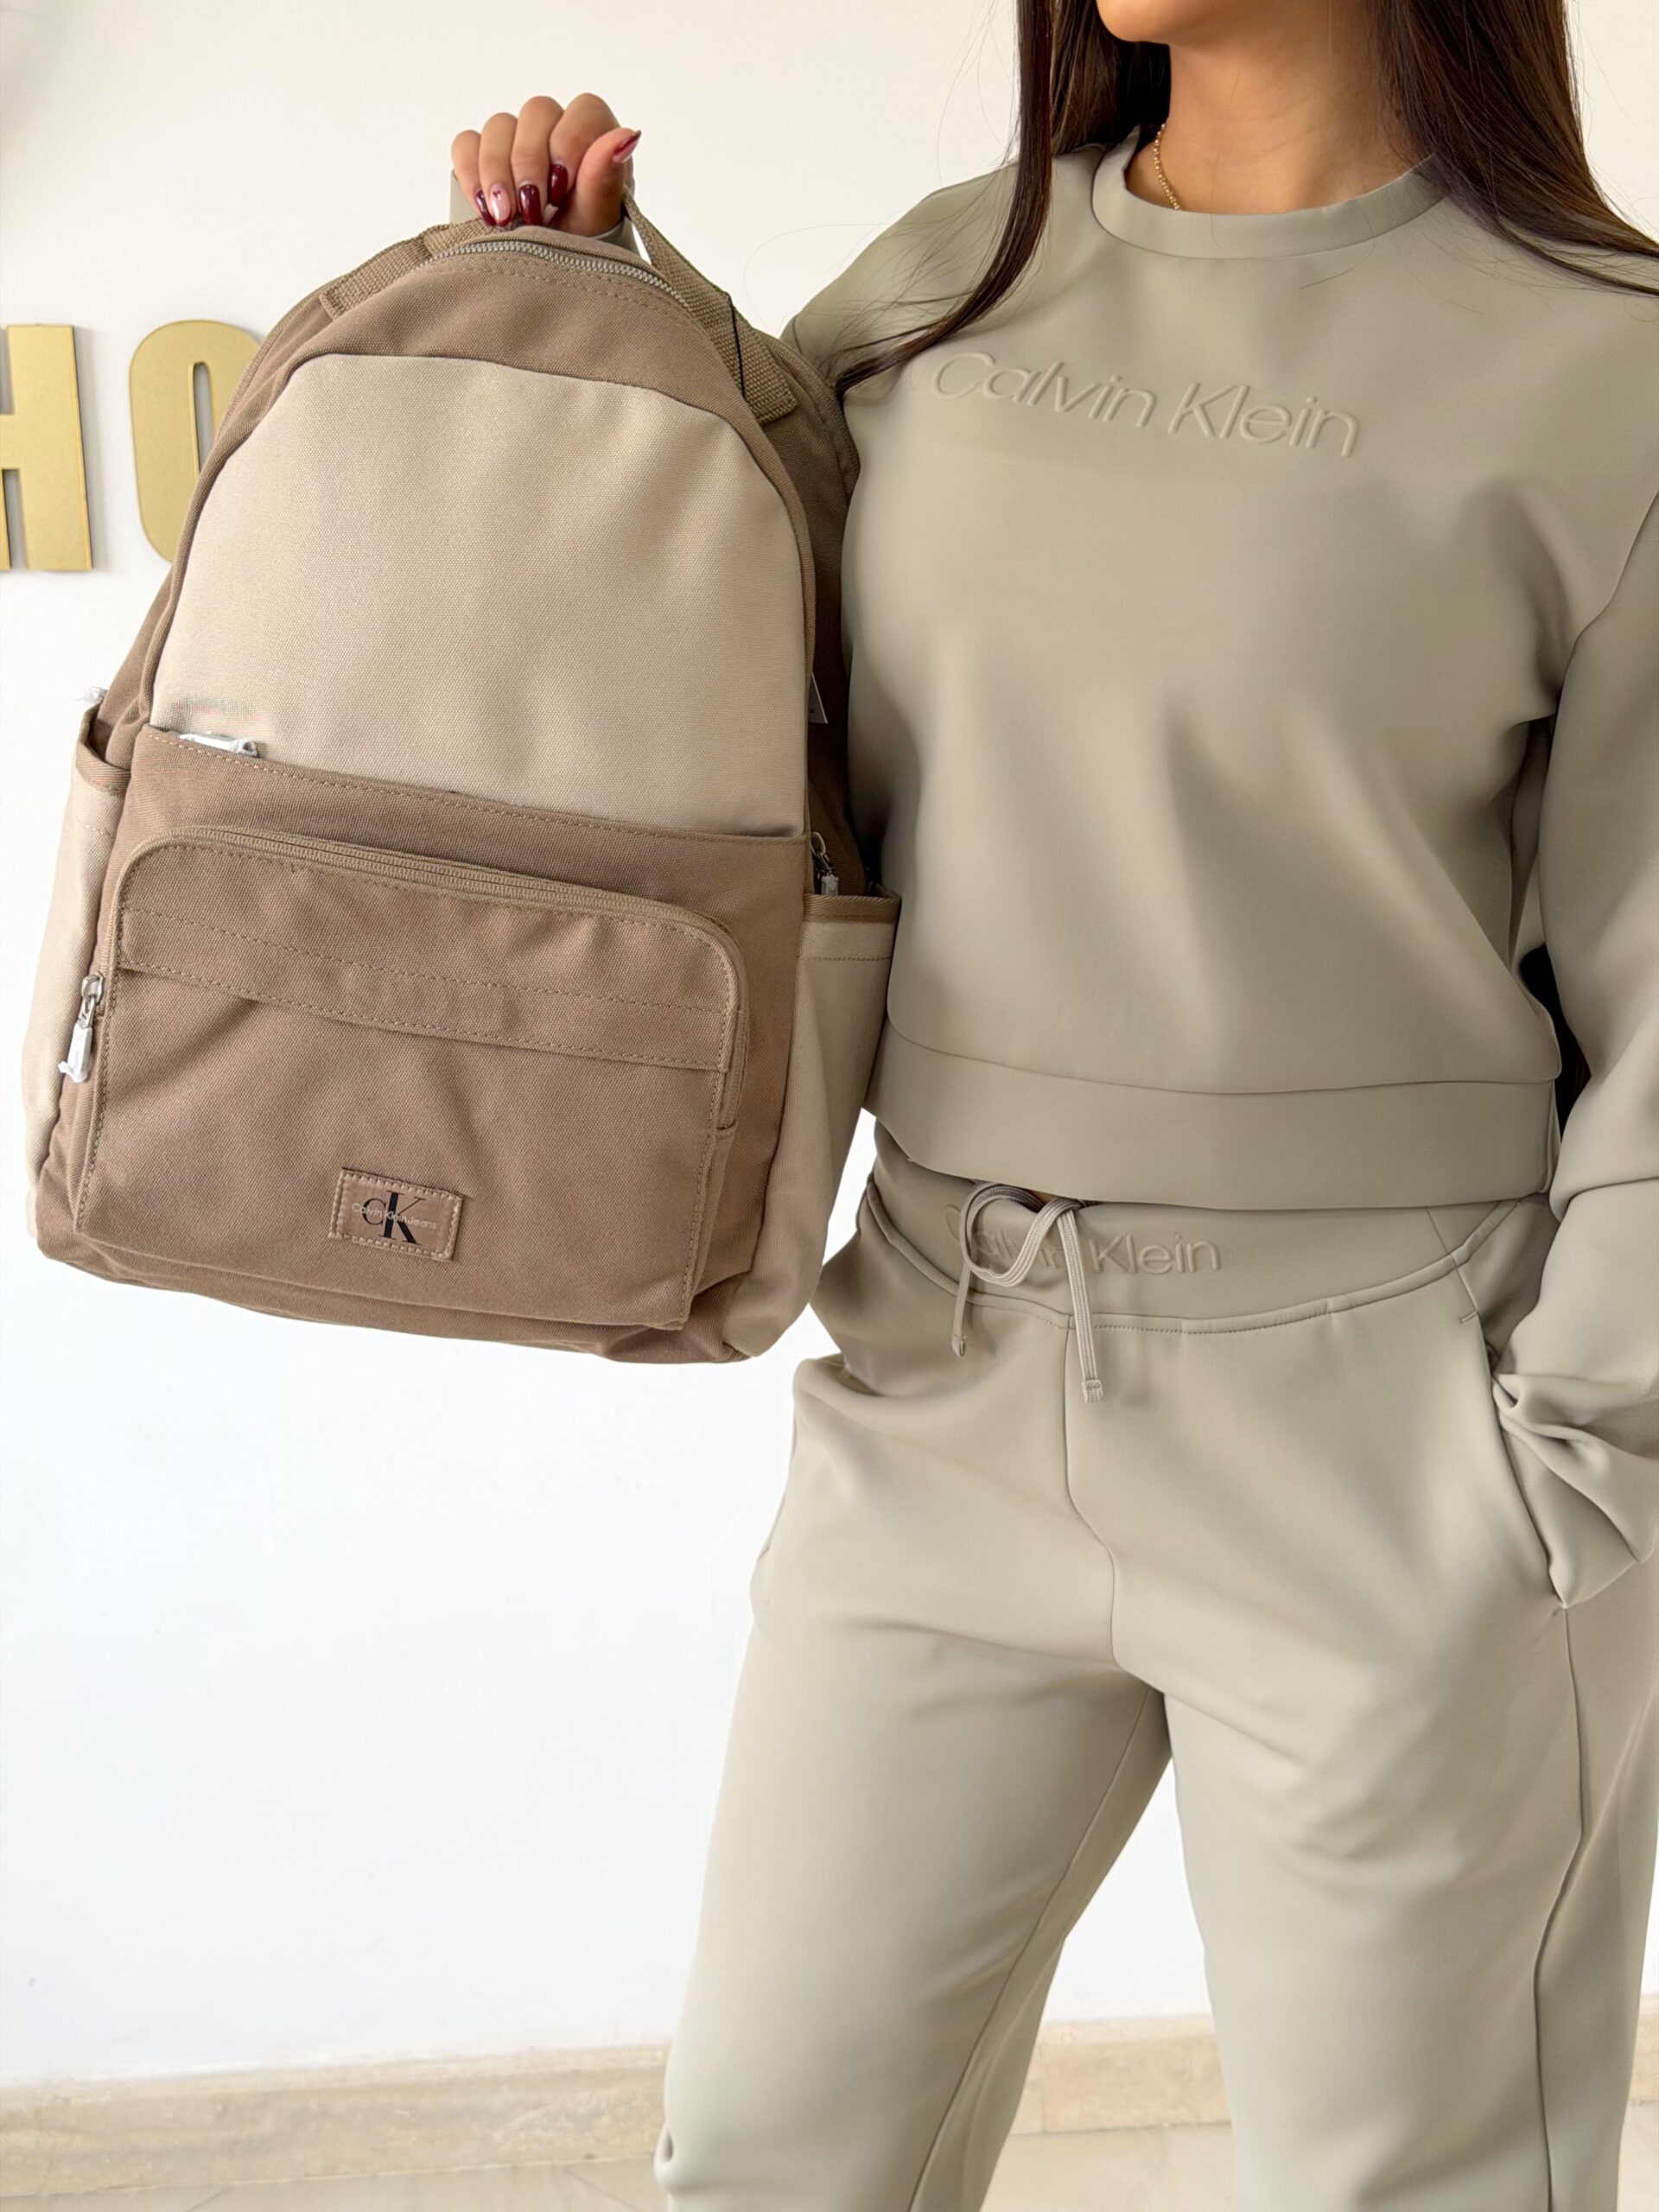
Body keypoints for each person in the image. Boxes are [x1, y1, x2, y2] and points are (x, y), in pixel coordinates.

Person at [451, 4, 1657, 2205]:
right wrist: (583, 301)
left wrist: (1582, 1458)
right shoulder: (947, 283)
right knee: (769, 2151)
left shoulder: (1611, 372)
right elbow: (693, 679)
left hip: (1395, 1441)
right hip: (938, 1367)